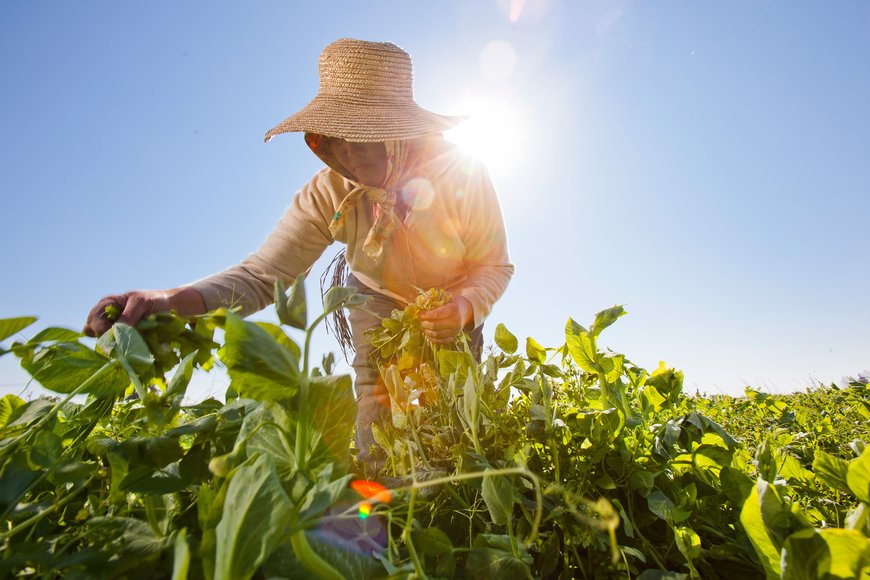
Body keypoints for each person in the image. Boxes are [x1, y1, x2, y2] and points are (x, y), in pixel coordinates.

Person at [83, 38, 514, 472]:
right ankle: (388, 510)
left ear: (397, 130)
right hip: (375, 297)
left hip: (453, 295)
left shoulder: (461, 172)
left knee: (459, 408)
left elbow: (493, 265)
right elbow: (262, 275)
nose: (349, 150)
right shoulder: (329, 192)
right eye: (336, 137)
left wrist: (463, 308)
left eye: (363, 134)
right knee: (378, 406)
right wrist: (169, 300)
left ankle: (459, 498)